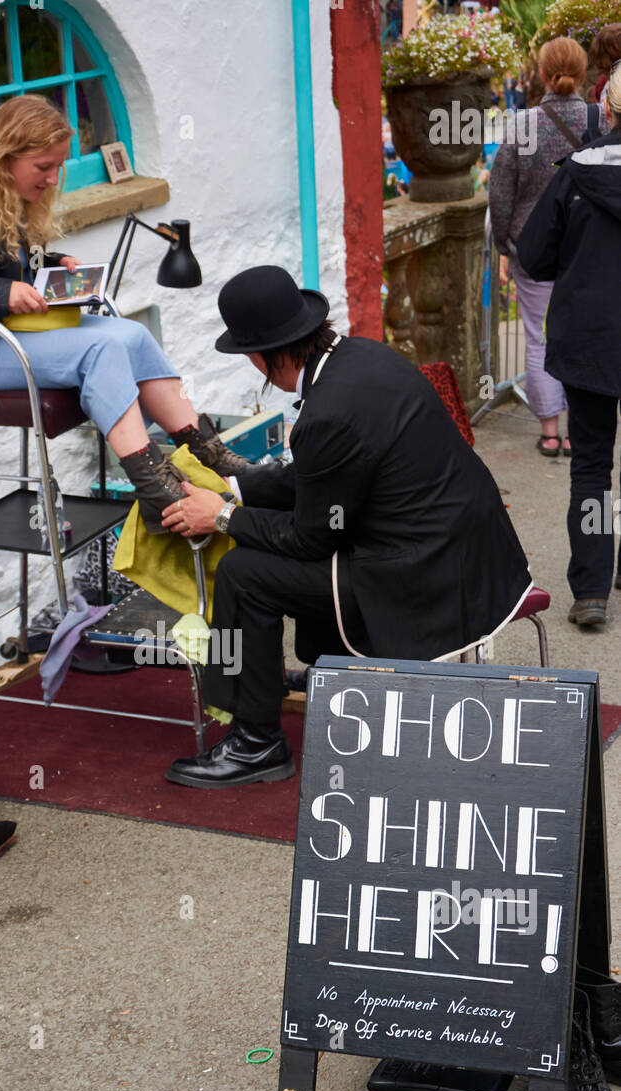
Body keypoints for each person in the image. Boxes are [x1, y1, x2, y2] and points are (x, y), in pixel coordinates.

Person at [159, 265, 533, 789]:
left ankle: (256, 741)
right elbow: (325, 480)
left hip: (429, 579)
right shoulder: (360, 356)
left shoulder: (326, 414)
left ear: (260, 355)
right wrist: (235, 492)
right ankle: (299, 677)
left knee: (245, 571)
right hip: (470, 552)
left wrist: (219, 516)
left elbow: (311, 538)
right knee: (268, 547)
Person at [0, 94, 245, 532]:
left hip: (8, 332)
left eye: (58, 166)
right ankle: (155, 490)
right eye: (44, 166)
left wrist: (54, 264)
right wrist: (0, 292)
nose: (53, 178)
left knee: (131, 336)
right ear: (6, 154)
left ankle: (209, 453)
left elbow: (3, 260)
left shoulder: (4, 188)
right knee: (99, 348)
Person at [517, 59, 621, 630]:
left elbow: (533, 255)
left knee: (591, 468)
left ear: (605, 108)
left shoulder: (576, 173)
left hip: (589, 339)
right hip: (593, 341)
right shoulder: (573, 172)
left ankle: (591, 589)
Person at [489, 37, 605, 460]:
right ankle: (578, 431)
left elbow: (500, 192)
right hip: (588, 249)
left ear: (541, 75)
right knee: (581, 337)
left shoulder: (522, 126)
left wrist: (505, 243)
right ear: (583, 69)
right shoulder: (600, 120)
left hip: (533, 249)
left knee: (538, 339)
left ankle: (551, 432)